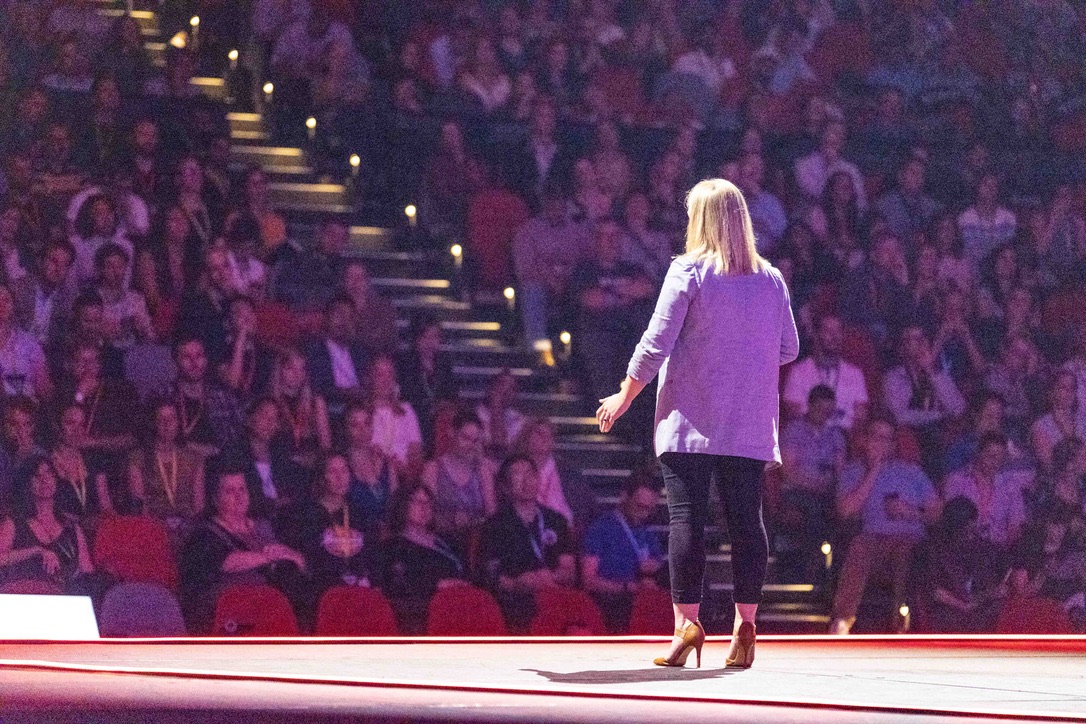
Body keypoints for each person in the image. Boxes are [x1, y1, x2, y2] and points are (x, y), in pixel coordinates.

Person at [596, 179, 800, 669]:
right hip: (748, 422)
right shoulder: (771, 279)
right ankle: (745, 627)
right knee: (746, 521)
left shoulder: (689, 271)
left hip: (692, 416)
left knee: (688, 519)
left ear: (701, 220)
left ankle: (686, 625)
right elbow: (790, 348)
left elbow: (656, 341)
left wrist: (625, 394)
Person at [829, 417, 941, 635]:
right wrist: (873, 470)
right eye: (876, 437)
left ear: (893, 444)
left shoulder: (912, 472)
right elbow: (845, 511)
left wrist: (910, 512)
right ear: (865, 440)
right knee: (861, 545)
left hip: (910, 540)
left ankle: (900, 623)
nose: (880, 443)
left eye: (886, 438)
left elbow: (937, 513)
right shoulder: (853, 471)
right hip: (874, 542)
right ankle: (842, 620)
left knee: (907, 554)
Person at [179, 462, 310, 633]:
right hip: (232, 612)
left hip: (274, 604)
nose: (239, 496)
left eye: (242, 489)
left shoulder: (264, 527)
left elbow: (296, 559)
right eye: (230, 491)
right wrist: (269, 557)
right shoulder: (204, 534)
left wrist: (293, 556)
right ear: (216, 499)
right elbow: (226, 562)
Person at [478, 455, 575, 632]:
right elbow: (490, 576)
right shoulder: (494, 526)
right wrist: (517, 583)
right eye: (517, 474)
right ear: (505, 487)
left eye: (530, 473)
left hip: (556, 598)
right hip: (516, 604)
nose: (526, 479)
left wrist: (549, 578)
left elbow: (569, 570)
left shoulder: (556, 520)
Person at [277, 453, 374, 596]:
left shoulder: (359, 514)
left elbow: (371, 556)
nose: (339, 477)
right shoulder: (304, 515)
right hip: (323, 593)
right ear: (321, 477)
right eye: (332, 471)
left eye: (344, 470)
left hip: (358, 591)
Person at [380, 482, 468, 633]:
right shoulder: (392, 547)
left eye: (427, 502)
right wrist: (437, 585)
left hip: (462, 603)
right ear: (402, 506)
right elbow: (396, 584)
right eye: (416, 501)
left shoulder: (447, 540)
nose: (424, 507)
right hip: (423, 614)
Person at [582, 474, 666, 632]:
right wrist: (629, 587)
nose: (644, 513)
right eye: (639, 506)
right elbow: (589, 581)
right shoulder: (600, 528)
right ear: (624, 496)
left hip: (644, 604)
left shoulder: (647, 533)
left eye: (649, 508)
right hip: (611, 605)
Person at [0, 456, 94, 593]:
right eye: (37, 476)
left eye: (48, 473)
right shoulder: (15, 523)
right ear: (28, 483)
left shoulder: (71, 527)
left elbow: (87, 569)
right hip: (24, 596)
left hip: (64, 598)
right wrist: (36, 551)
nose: (44, 480)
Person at [127, 399, 205, 546]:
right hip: (154, 526)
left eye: (172, 419)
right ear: (153, 423)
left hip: (187, 526)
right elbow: (139, 504)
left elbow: (198, 506)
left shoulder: (194, 458)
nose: (167, 424)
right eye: (161, 419)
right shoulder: (138, 457)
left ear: (178, 422)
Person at [421, 411, 497, 548]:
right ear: (452, 433)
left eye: (475, 441)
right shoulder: (433, 469)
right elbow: (424, 513)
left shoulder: (482, 470)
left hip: (477, 543)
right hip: (440, 541)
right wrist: (451, 520)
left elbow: (492, 516)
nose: (470, 445)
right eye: (465, 438)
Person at [783, 314, 869, 430]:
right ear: (817, 335)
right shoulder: (798, 372)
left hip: (844, 435)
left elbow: (861, 414)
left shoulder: (855, 374)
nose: (833, 336)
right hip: (809, 434)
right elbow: (792, 411)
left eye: (837, 331)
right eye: (828, 331)